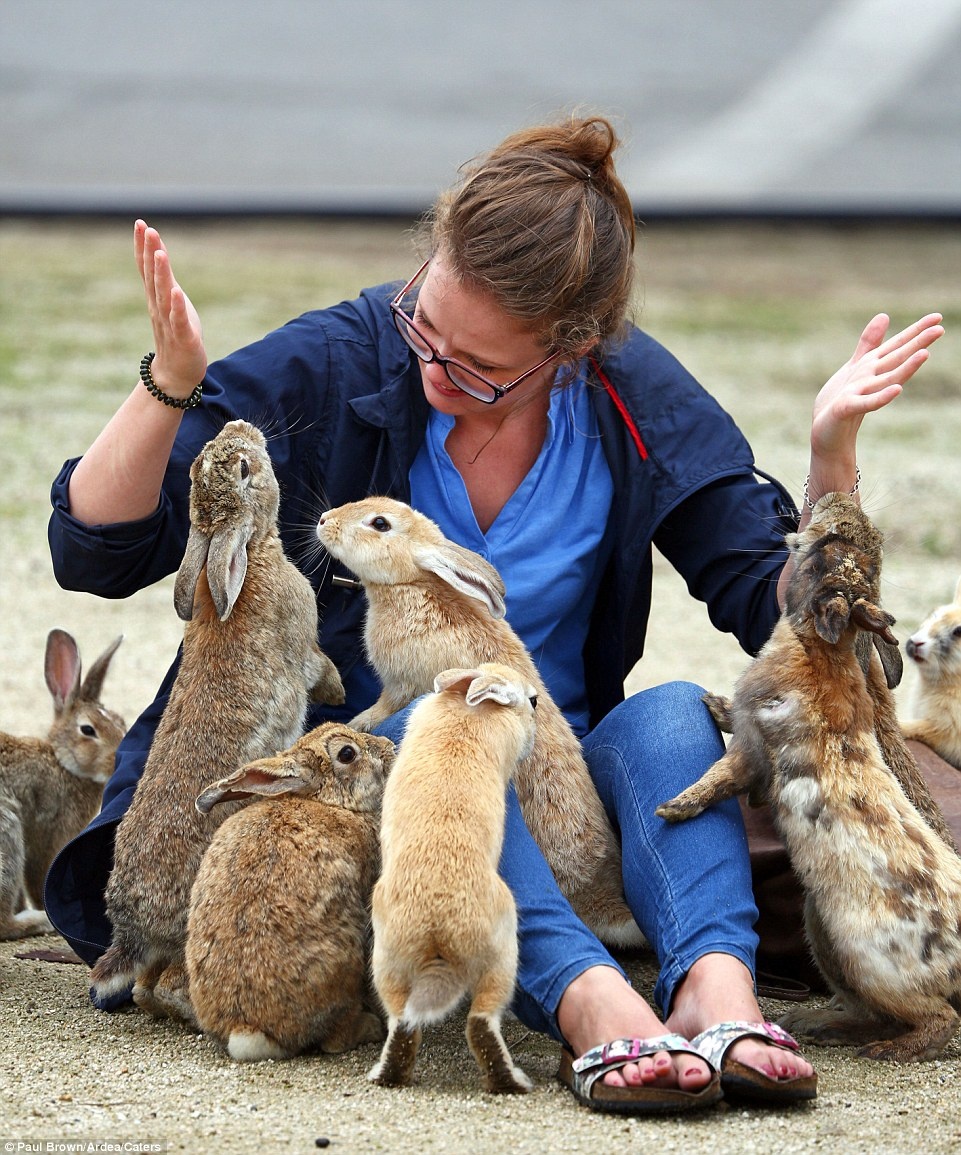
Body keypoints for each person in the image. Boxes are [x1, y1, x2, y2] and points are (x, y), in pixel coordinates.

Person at [45, 115, 943, 1114]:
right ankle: (593, 1004)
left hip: (554, 771)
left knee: (669, 719)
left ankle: (714, 991)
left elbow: (771, 611)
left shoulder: (634, 396)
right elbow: (95, 550)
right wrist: (168, 385)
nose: (432, 371)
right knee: (443, 728)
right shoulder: (342, 361)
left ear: (574, 348)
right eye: (424, 327)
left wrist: (831, 459)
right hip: (363, 771)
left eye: (473, 368)